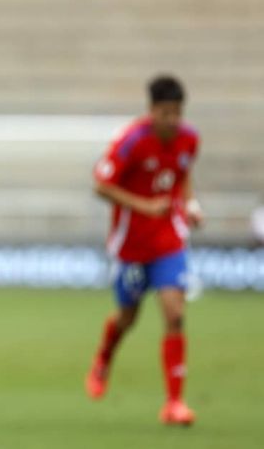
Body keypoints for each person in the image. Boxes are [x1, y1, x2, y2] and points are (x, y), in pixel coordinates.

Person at [86, 74, 203, 425]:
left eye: (176, 113)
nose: (170, 120)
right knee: (127, 317)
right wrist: (144, 206)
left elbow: (183, 175)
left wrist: (191, 203)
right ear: (152, 110)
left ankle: (174, 403)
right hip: (132, 246)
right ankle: (104, 358)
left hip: (169, 240)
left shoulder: (188, 139)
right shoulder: (131, 141)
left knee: (175, 314)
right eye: (164, 112)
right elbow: (101, 185)